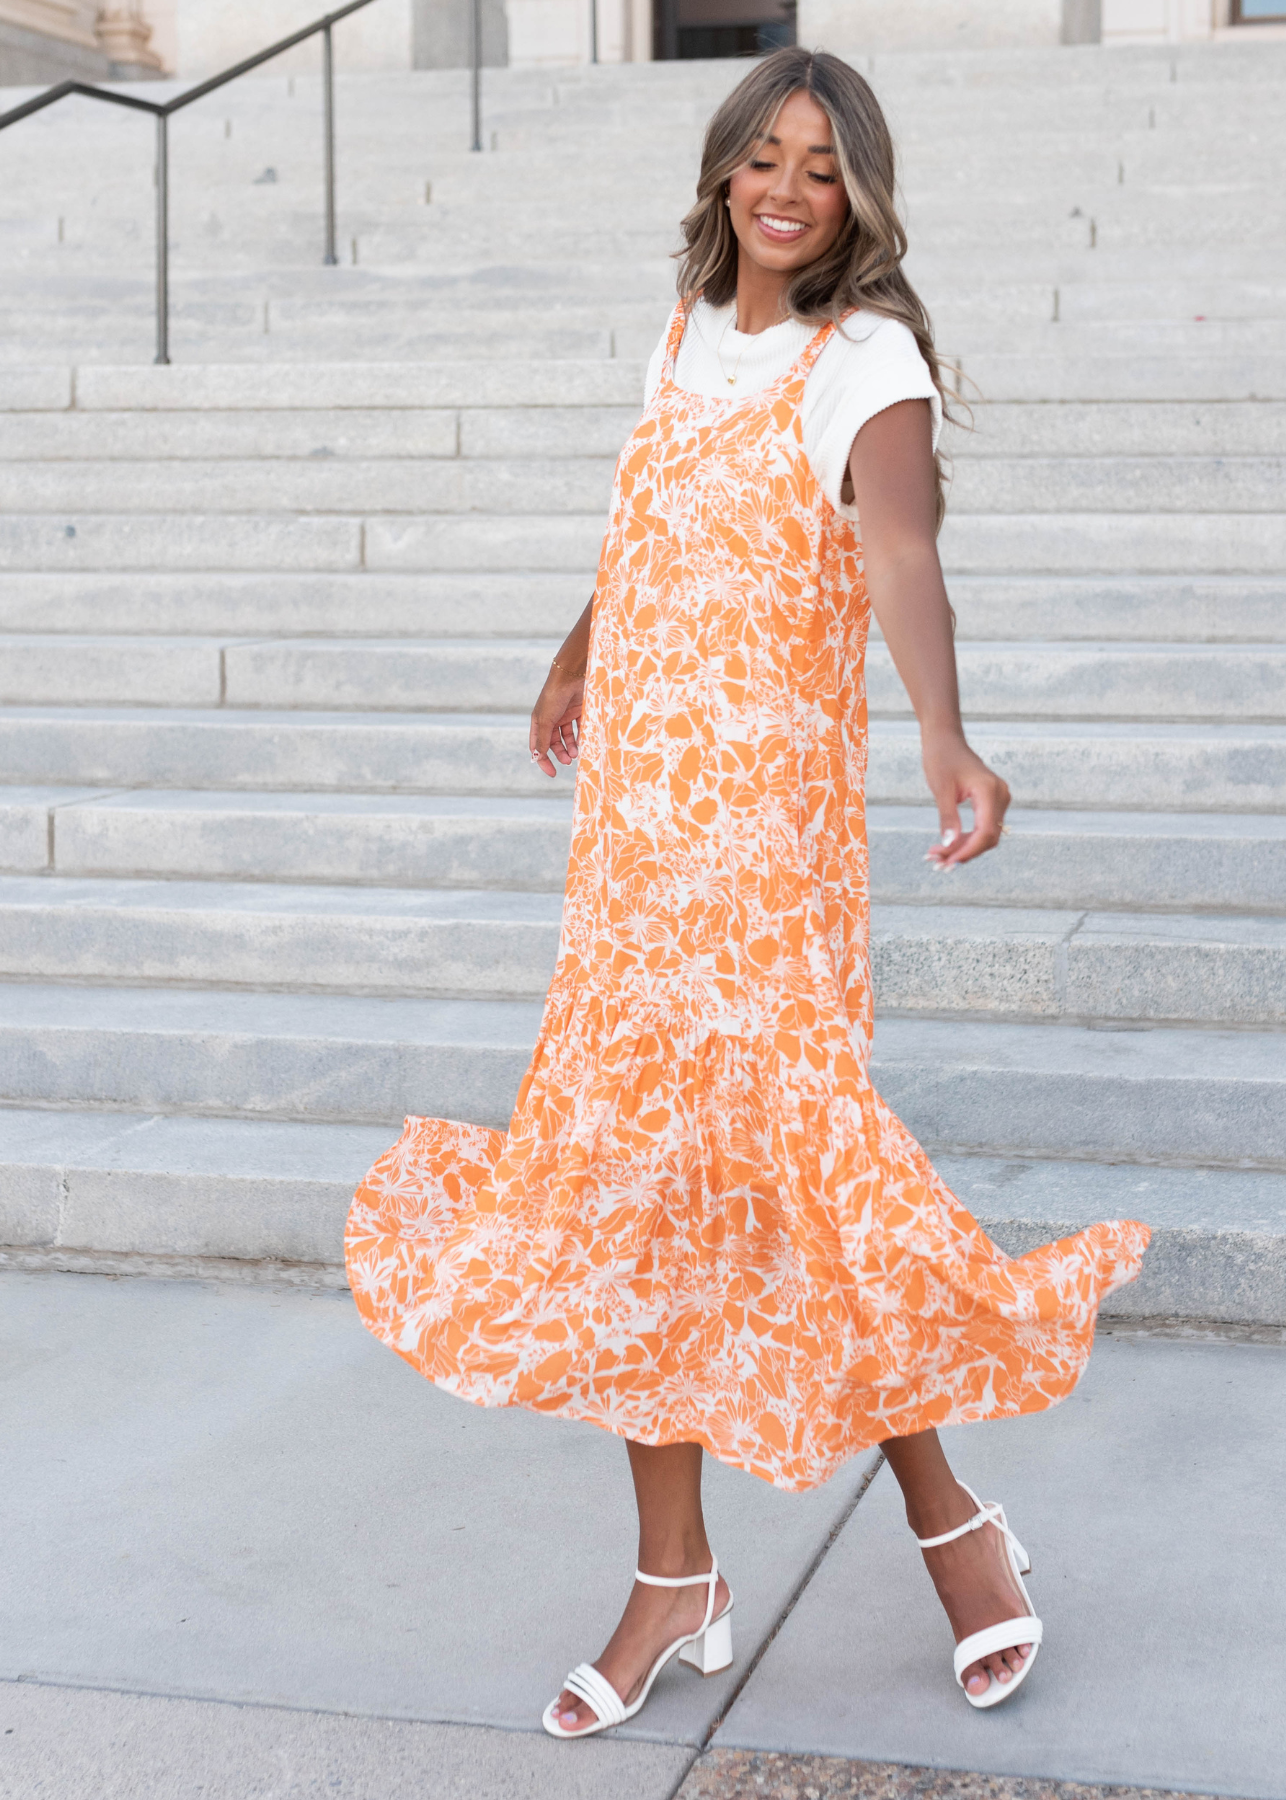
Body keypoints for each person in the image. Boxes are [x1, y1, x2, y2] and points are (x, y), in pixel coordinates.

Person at [346, 46, 1149, 1736]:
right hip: (637, 838)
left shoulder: (867, 362)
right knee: (634, 1178)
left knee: (801, 1181)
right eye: (761, 156)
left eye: (821, 165)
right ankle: (675, 1574)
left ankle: (949, 1526)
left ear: (859, 193)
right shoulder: (682, 334)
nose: (786, 187)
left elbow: (901, 555)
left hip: (766, 852)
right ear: (721, 172)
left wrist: (944, 732)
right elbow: (639, 532)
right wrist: (574, 658)